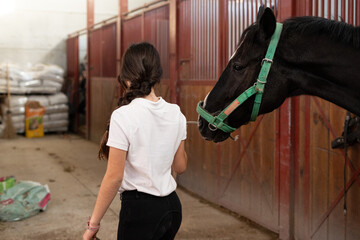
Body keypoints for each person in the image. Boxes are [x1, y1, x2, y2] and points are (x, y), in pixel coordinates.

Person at [83, 42, 188, 240]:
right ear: (157, 73)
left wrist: (93, 225)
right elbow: (180, 166)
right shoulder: (176, 113)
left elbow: (114, 177)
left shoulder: (123, 116)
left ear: (126, 76)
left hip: (141, 212)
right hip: (172, 209)